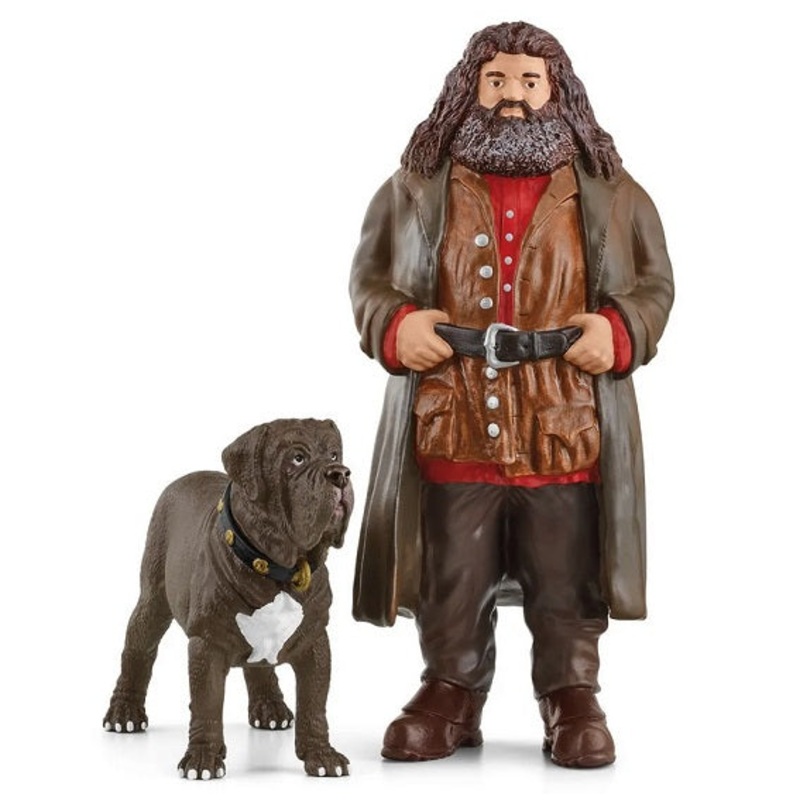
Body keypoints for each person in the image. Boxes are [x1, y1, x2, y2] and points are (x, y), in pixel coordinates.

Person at [349, 21, 673, 768]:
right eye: (496, 80)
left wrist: (619, 329)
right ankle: (451, 688)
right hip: (453, 413)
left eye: (530, 81)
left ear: (558, 90)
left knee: (566, 575)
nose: (513, 96)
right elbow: (369, 279)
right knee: (451, 572)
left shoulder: (610, 193)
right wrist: (395, 324)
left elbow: (656, 285)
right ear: (470, 87)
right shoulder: (416, 187)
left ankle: (571, 692)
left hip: (564, 421)